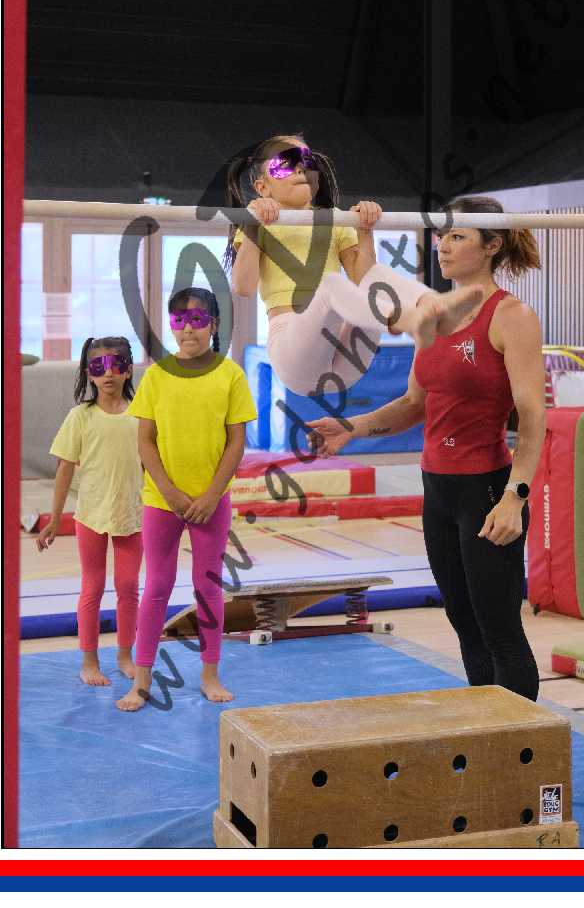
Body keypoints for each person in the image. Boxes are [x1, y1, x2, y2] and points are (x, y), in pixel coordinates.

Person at [308, 196, 545, 701]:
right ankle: (487, 729)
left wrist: (515, 497)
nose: (444, 246)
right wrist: (352, 427)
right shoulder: (431, 313)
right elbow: (414, 403)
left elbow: (531, 418)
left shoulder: (512, 316)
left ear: (492, 245)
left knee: (499, 627)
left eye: (458, 236)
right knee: (463, 621)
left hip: (486, 492)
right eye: (442, 236)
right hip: (437, 492)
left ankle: (525, 738)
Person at [223, 133, 480, 396]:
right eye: (285, 164)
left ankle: (433, 306)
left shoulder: (336, 220)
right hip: (294, 355)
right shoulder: (258, 225)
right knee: (332, 285)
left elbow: (365, 279)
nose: (299, 168)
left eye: (306, 161)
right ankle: (410, 319)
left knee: (375, 276)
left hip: (347, 361)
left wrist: (364, 230)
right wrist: (253, 225)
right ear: (262, 187)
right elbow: (244, 287)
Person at [116, 287, 257, 710]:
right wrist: (170, 492)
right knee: (157, 585)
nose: (188, 329)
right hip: (163, 501)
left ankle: (210, 674)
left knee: (207, 587)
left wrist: (212, 494)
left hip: (211, 501)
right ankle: (142, 679)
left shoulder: (230, 375)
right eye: (179, 320)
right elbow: (145, 441)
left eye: (197, 319)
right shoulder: (158, 376)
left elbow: (236, 442)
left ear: (213, 324)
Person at [40, 336, 144, 687]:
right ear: (89, 373)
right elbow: (64, 470)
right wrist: (55, 518)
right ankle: (89, 661)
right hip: (91, 515)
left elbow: (154, 464)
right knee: (93, 587)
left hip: (131, 514)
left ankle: (126, 656)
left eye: (116, 365)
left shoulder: (141, 415)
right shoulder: (80, 417)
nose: (108, 373)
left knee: (128, 586)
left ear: (128, 370)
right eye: (99, 367)